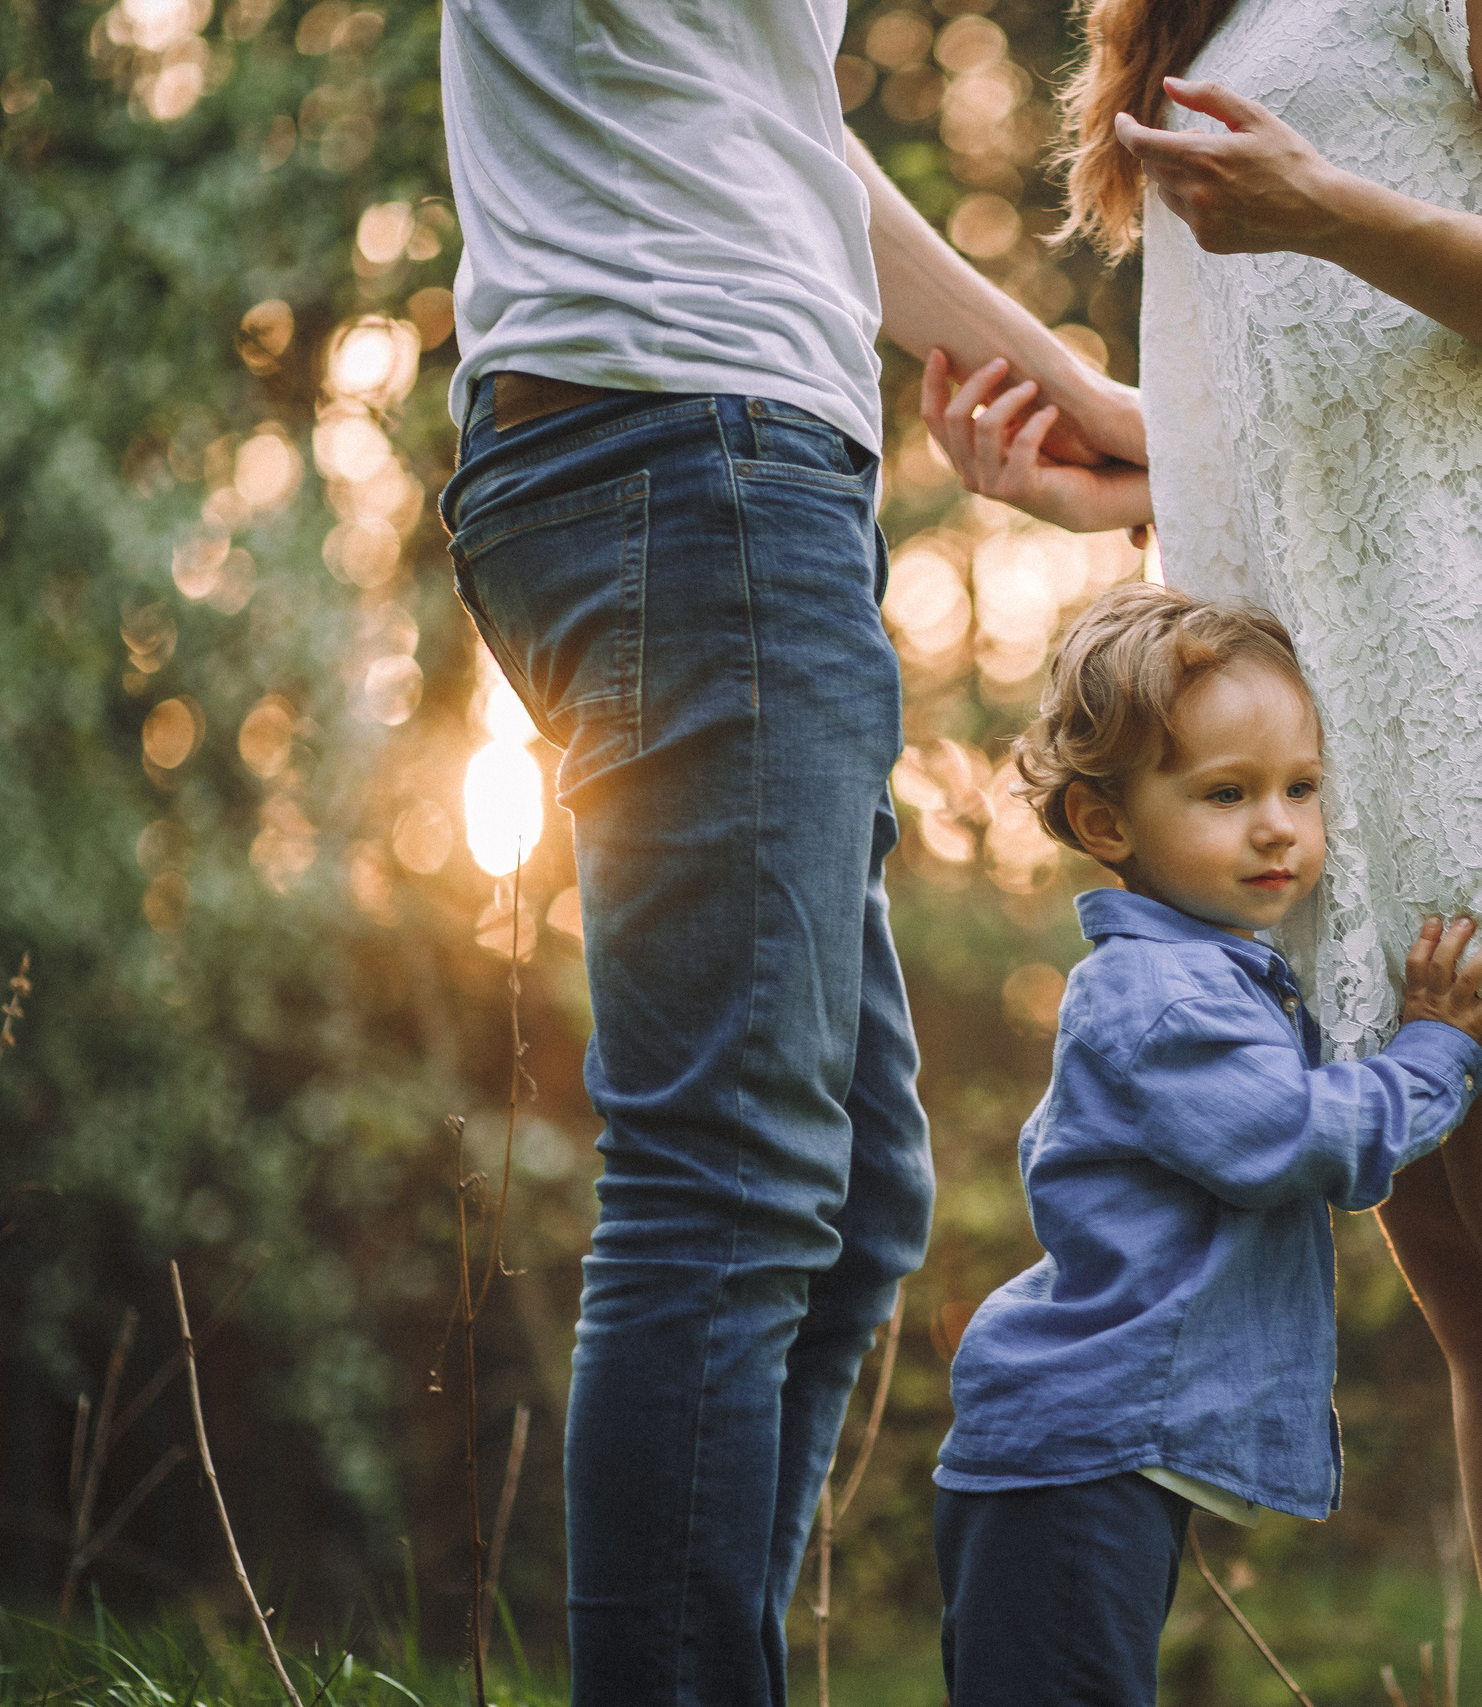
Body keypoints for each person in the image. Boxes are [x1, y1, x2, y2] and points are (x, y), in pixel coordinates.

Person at [919, 1, 1482, 1702]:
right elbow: (1313, 362)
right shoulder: (1203, 9)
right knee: (1459, 1268)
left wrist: (1328, 209)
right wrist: (1132, 459)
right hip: (1318, 702)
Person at [433, 3, 1145, 1702]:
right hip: (690, 452)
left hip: (681, 455)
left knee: (848, 1193)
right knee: (731, 1183)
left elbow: (778, 133)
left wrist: (1066, 381)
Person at [932, 584, 1482, 1707]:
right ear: (1107, 825)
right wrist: (1432, 1051)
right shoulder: (1164, 994)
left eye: (1301, 788)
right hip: (1075, 1452)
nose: (1279, 826)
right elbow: (1291, 1140)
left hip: (1091, 1449)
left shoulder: (1216, 975)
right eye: (1226, 793)